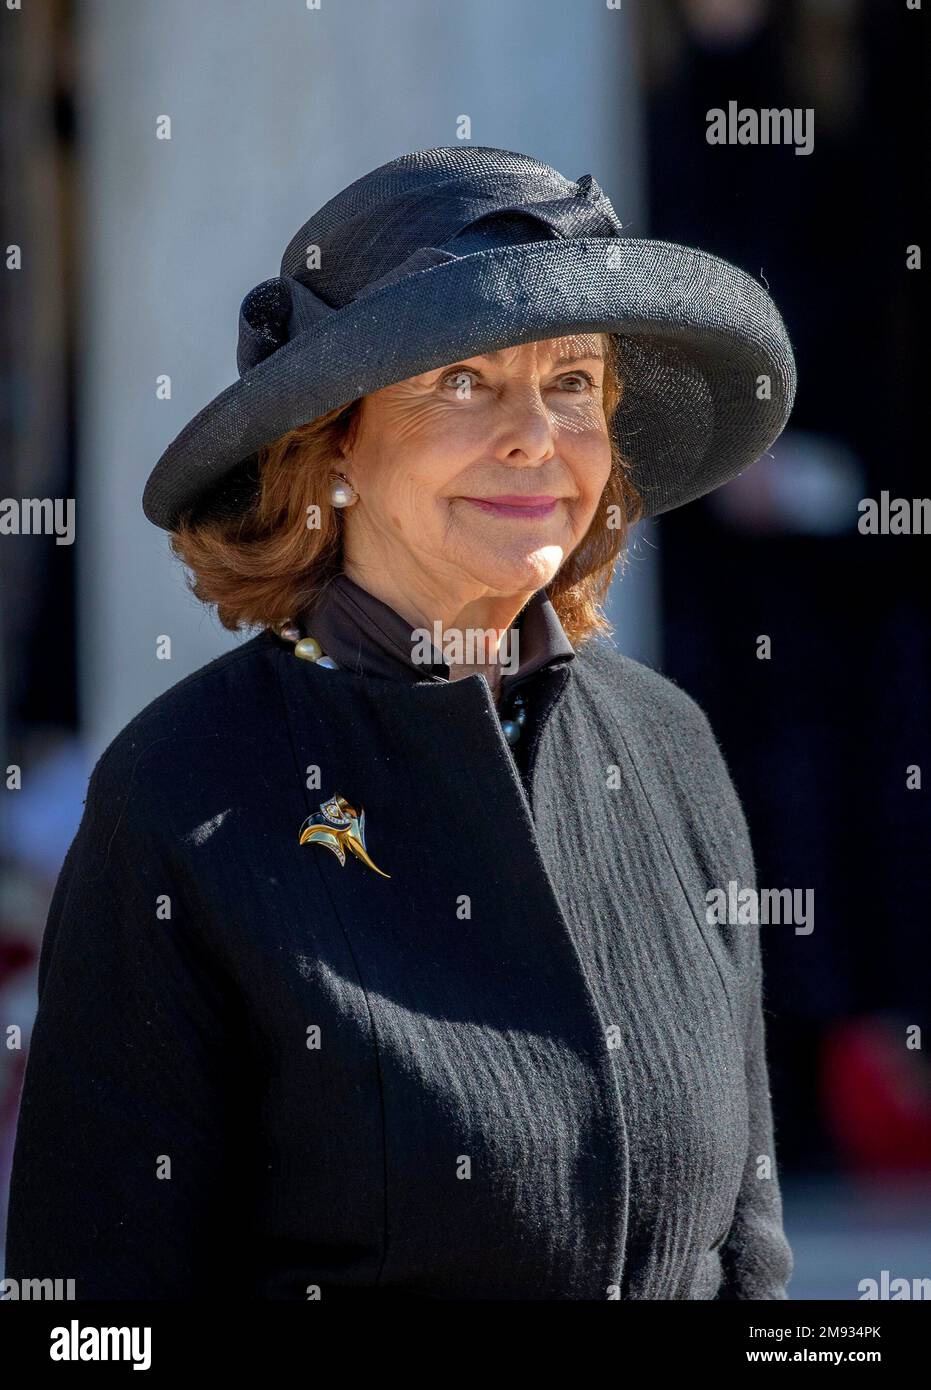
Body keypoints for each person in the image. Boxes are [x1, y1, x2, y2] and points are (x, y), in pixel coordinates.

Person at [5, 145, 797, 1300]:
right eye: (463, 381)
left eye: (572, 380)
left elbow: (749, 1258)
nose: (534, 433)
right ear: (333, 444)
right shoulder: (183, 796)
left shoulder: (668, 749)